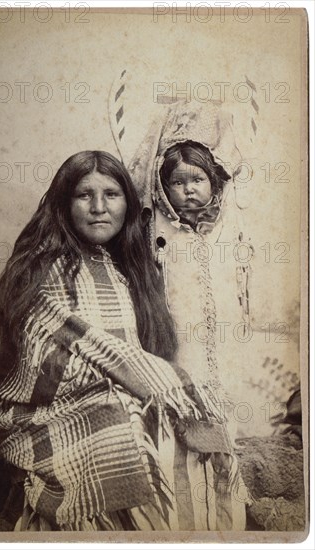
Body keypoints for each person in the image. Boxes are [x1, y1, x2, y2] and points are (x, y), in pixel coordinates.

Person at [0, 149, 244, 532]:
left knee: (187, 436)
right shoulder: (39, 270)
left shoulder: (129, 269)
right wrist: (128, 384)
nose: (98, 207)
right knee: (124, 432)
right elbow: (45, 358)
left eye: (111, 194)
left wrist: (141, 386)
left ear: (128, 202)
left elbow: (138, 352)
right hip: (50, 411)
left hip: (122, 393)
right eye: (84, 195)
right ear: (64, 203)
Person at [129, 101, 252, 530]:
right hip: (179, 353)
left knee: (223, 433)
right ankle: (187, 525)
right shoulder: (158, 238)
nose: (189, 190)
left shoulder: (226, 231)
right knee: (182, 436)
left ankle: (226, 524)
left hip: (220, 354)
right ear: (164, 190)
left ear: (213, 182)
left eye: (197, 179)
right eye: (177, 182)